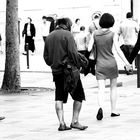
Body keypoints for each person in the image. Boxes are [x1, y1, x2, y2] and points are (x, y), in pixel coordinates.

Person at [43, 17, 88, 131]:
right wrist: (79, 65)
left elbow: (46, 57)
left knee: (59, 97)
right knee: (79, 95)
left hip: (56, 71)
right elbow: (73, 53)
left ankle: (61, 123)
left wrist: (54, 63)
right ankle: (75, 121)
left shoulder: (49, 36)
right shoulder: (68, 35)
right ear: (67, 24)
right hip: (69, 71)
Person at [91, 13, 132, 120]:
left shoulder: (95, 33)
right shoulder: (113, 34)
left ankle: (100, 107)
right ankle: (113, 110)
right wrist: (127, 63)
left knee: (101, 89)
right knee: (113, 87)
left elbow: (89, 47)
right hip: (111, 63)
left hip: (99, 64)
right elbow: (118, 50)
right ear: (111, 22)